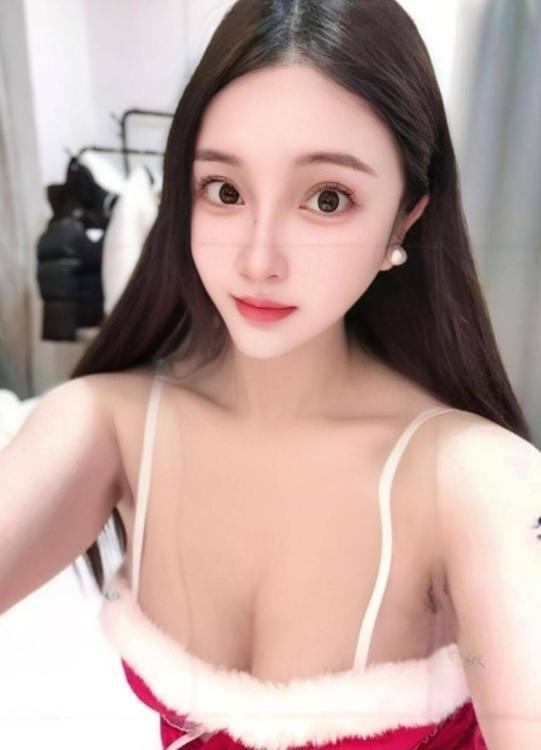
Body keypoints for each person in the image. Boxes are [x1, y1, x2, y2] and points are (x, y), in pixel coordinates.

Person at [2, 1, 540, 748]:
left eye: (326, 199)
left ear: (405, 219)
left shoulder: (476, 478)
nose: (258, 259)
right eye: (224, 191)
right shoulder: (104, 424)